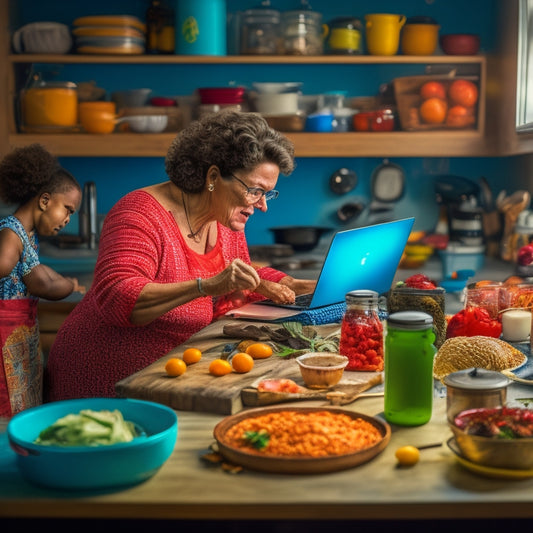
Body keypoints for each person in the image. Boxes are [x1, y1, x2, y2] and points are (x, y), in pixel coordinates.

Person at [46, 110, 317, 401]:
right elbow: (117, 298)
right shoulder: (139, 213)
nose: (262, 205)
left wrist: (292, 283)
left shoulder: (224, 219)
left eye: (268, 194)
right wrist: (206, 285)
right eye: (254, 190)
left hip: (167, 379)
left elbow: (236, 278)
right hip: (104, 383)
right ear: (213, 176)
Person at [0, 143, 84, 418]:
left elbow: (39, 271)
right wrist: (70, 287)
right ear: (45, 201)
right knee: (6, 404)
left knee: (23, 401)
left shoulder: (27, 234)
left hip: (19, 333)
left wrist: (68, 281)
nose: (68, 220)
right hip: (5, 333)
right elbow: (41, 283)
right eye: (68, 209)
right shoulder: (11, 232)